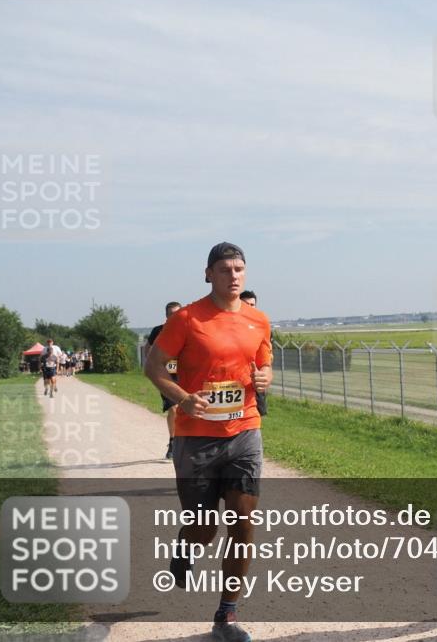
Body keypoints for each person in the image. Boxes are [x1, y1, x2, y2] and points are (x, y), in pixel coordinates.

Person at [144, 243, 272, 642]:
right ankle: (186, 545)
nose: (233, 275)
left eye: (239, 269)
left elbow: (263, 361)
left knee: (242, 522)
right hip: (196, 438)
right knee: (204, 528)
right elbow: (153, 366)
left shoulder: (259, 320)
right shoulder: (186, 318)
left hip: (245, 431)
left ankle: (226, 615)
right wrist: (184, 398)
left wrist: (266, 376)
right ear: (208, 274)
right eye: (224, 269)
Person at [147, 301, 183, 458]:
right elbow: (148, 350)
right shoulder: (158, 331)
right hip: (166, 377)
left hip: (186, 376)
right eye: (171, 315)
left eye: (177, 314)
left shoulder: (188, 329)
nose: (174, 317)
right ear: (166, 317)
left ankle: (187, 441)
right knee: (174, 408)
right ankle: (173, 441)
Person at [239, 291, 266, 417]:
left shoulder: (261, 325)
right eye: (246, 304)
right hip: (236, 380)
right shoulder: (231, 326)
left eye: (252, 305)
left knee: (256, 414)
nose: (249, 308)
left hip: (255, 379)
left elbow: (267, 354)